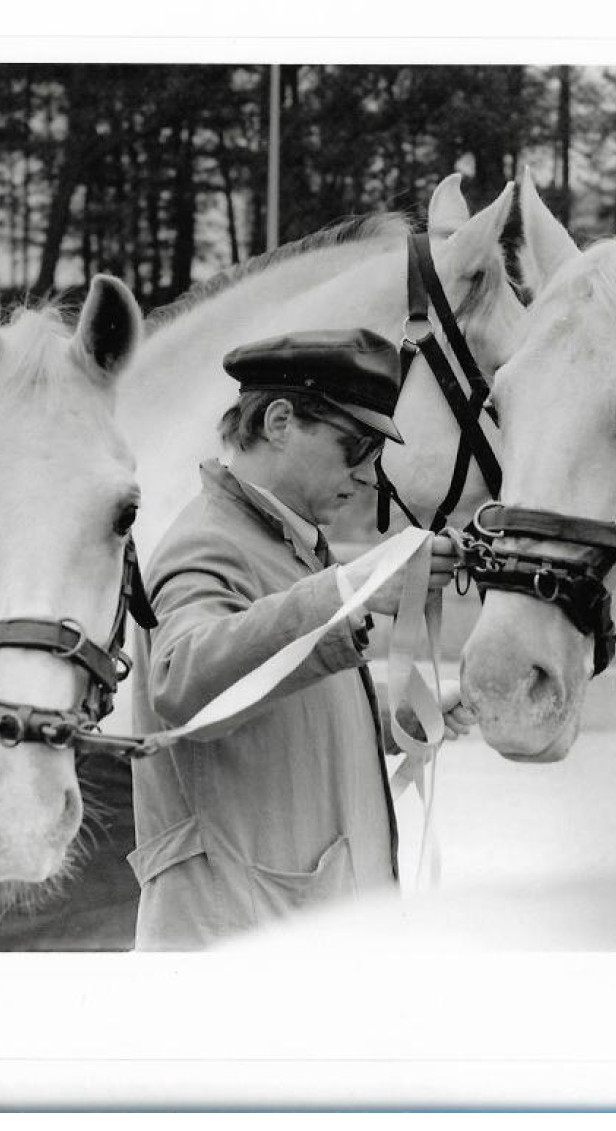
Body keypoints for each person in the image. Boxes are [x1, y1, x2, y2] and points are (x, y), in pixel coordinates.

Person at [128, 327, 473, 950]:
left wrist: (406, 722)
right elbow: (182, 686)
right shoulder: (207, 543)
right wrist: (349, 592)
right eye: (355, 446)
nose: (369, 476)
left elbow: (280, 716)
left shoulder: (283, 545)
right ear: (281, 421)